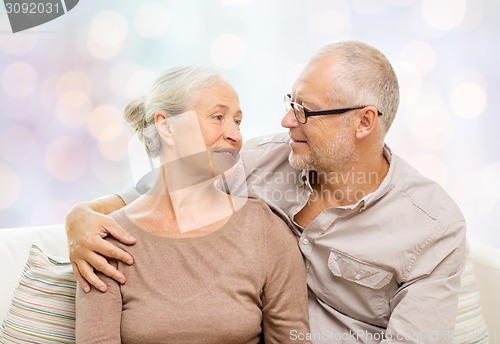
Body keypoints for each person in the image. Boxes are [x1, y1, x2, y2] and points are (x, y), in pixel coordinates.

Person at [67, 41, 466, 343]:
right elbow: (159, 194)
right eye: (291, 101)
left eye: (305, 110)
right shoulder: (260, 160)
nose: (286, 119)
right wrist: (81, 217)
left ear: (363, 123)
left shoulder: (432, 229)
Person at [74, 65, 311, 343]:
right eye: (218, 117)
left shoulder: (264, 229)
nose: (234, 135)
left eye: (237, 121)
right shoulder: (106, 241)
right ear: (166, 126)